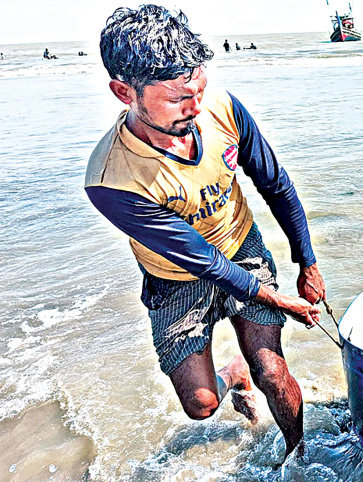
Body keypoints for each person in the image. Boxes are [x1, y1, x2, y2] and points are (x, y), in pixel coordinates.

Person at [85, 5, 327, 462]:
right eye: (178, 99)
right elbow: (201, 259)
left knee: (272, 372)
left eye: (199, 88)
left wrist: (307, 262)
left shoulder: (222, 109)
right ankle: (234, 374)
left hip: (240, 246)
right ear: (124, 92)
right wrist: (280, 301)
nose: (196, 108)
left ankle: (298, 458)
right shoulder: (111, 179)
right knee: (201, 406)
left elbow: (276, 184)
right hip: (175, 275)